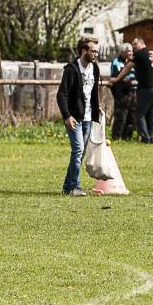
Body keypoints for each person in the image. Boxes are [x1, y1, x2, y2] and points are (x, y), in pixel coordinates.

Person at [56, 35, 102, 196]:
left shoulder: (94, 68)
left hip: (88, 117)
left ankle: (68, 187)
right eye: (93, 51)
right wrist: (66, 115)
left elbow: (93, 92)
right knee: (78, 150)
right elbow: (61, 94)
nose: (96, 54)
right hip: (74, 117)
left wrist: (97, 107)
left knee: (80, 153)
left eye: (97, 51)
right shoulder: (71, 69)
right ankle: (75, 187)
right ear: (84, 51)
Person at [114, 37, 153, 143]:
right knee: (152, 114)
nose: (133, 47)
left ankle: (145, 139)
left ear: (142, 43)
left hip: (147, 88)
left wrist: (117, 79)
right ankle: (152, 138)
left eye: (135, 44)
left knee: (139, 115)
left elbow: (127, 67)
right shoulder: (151, 53)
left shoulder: (139, 54)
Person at [109, 42, 138, 140]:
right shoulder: (116, 62)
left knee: (132, 116)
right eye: (128, 51)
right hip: (121, 92)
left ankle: (127, 137)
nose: (130, 53)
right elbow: (115, 75)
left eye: (131, 51)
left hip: (133, 91)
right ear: (122, 52)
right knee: (121, 116)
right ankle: (116, 137)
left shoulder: (133, 61)